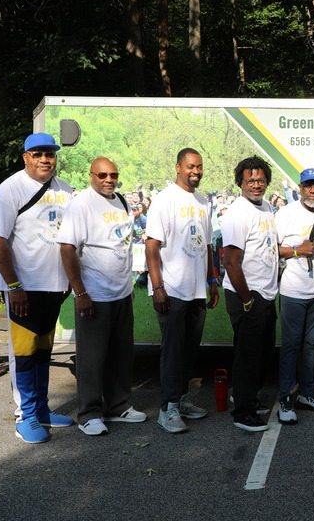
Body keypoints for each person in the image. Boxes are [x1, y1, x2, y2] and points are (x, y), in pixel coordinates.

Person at [0, 132, 76, 444]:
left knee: (42, 351)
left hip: (53, 287)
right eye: (37, 154)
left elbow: (69, 239)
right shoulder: (10, 188)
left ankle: (42, 410)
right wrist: (14, 285)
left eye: (49, 154)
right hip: (23, 288)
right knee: (23, 353)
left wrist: (68, 283)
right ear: (25, 157)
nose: (44, 160)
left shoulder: (65, 189)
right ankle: (26, 417)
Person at [58, 158, 147, 436]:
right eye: (103, 175)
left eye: (114, 175)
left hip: (121, 292)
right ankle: (89, 413)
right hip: (93, 294)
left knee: (121, 355)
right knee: (92, 358)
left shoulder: (120, 199)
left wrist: (128, 289)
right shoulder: (81, 204)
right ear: (91, 176)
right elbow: (67, 248)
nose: (109, 179)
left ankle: (118, 407)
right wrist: (80, 292)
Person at [145, 148, 219, 434]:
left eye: (199, 167)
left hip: (197, 290)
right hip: (172, 289)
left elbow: (208, 244)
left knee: (189, 350)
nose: (196, 172)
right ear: (178, 167)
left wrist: (212, 281)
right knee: (173, 351)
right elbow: (152, 245)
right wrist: (158, 287)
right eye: (190, 166)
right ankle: (168, 408)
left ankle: (181, 399)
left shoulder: (203, 202)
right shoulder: (164, 200)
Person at [275, 168, 314, 424]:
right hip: (292, 291)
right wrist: (296, 250)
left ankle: (307, 394)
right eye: (308, 186)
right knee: (291, 346)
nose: (313, 190)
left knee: (310, 346)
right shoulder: (286, 213)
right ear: (300, 188)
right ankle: (285, 399)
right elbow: (273, 249)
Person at [221, 156, 279, 432]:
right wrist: (246, 299)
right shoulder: (237, 213)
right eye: (250, 181)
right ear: (240, 183)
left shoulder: (266, 207)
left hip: (265, 293)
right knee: (247, 355)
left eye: (260, 180)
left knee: (262, 353)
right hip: (246, 294)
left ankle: (250, 398)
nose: (256, 185)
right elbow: (231, 261)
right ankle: (242, 412)